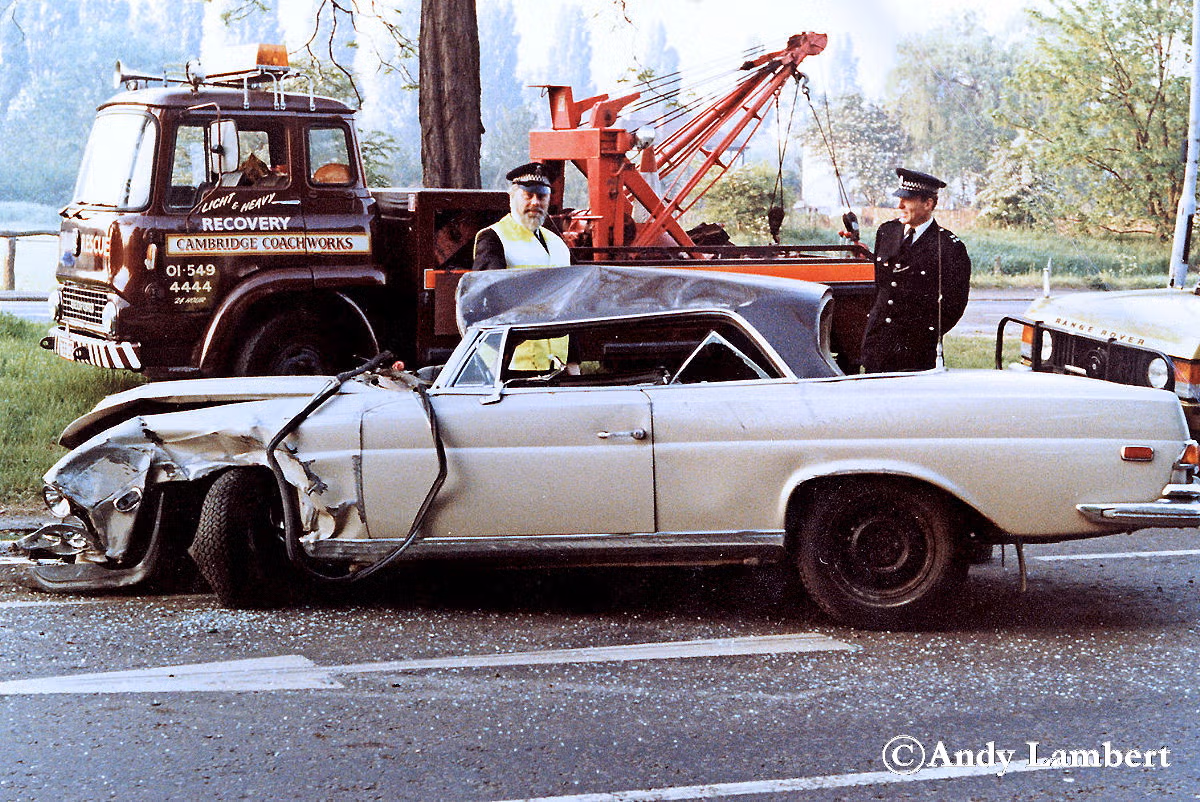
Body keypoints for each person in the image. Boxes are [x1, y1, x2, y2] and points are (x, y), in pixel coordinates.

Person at [860, 168, 971, 373]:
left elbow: (955, 304)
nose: (899, 205)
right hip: (878, 346)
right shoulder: (886, 231)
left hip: (915, 351)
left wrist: (927, 334)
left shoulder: (948, 247)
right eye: (900, 199)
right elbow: (880, 287)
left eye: (907, 200)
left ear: (928, 204)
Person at [473, 162, 572, 270]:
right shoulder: (494, 238)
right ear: (512, 197)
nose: (535, 202)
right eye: (528, 195)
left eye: (541, 196)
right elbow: (488, 280)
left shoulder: (557, 242)